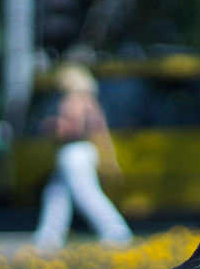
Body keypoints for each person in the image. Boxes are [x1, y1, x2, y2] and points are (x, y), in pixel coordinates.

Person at [31, 63, 133, 251]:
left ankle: (116, 232)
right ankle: (48, 238)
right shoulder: (90, 100)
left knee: (86, 194)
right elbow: (101, 132)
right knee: (56, 193)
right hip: (85, 151)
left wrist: (53, 125)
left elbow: (74, 129)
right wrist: (109, 159)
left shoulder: (72, 99)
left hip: (73, 152)